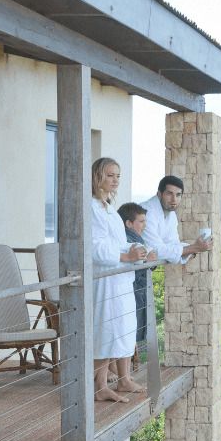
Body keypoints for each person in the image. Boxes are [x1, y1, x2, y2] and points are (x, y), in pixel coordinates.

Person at [90, 157, 147, 403]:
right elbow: (95, 247)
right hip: (105, 278)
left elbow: (117, 241)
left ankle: (123, 380)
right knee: (106, 328)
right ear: (98, 177)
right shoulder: (91, 207)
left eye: (118, 176)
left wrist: (139, 249)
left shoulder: (109, 208)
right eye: (110, 175)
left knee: (123, 327)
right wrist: (125, 255)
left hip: (120, 277)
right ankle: (99, 385)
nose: (115, 180)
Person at [143, 175, 213, 264]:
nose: (174, 200)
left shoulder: (171, 214)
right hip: (127, 268)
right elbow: (155, 250)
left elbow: (172, 244)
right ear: (159, 194)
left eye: (178, 195)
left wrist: (194, 248)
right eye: (169, 194)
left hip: (144, 268)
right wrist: (194, 248)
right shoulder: (146, 212)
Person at [118, 201, 155, 346]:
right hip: (132, 293)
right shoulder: (129, 241)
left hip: (136, 293)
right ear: (129, 223)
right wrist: (147, 261)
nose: (144, 225)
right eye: (141, 221)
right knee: (127, 337)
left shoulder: (135, 239)